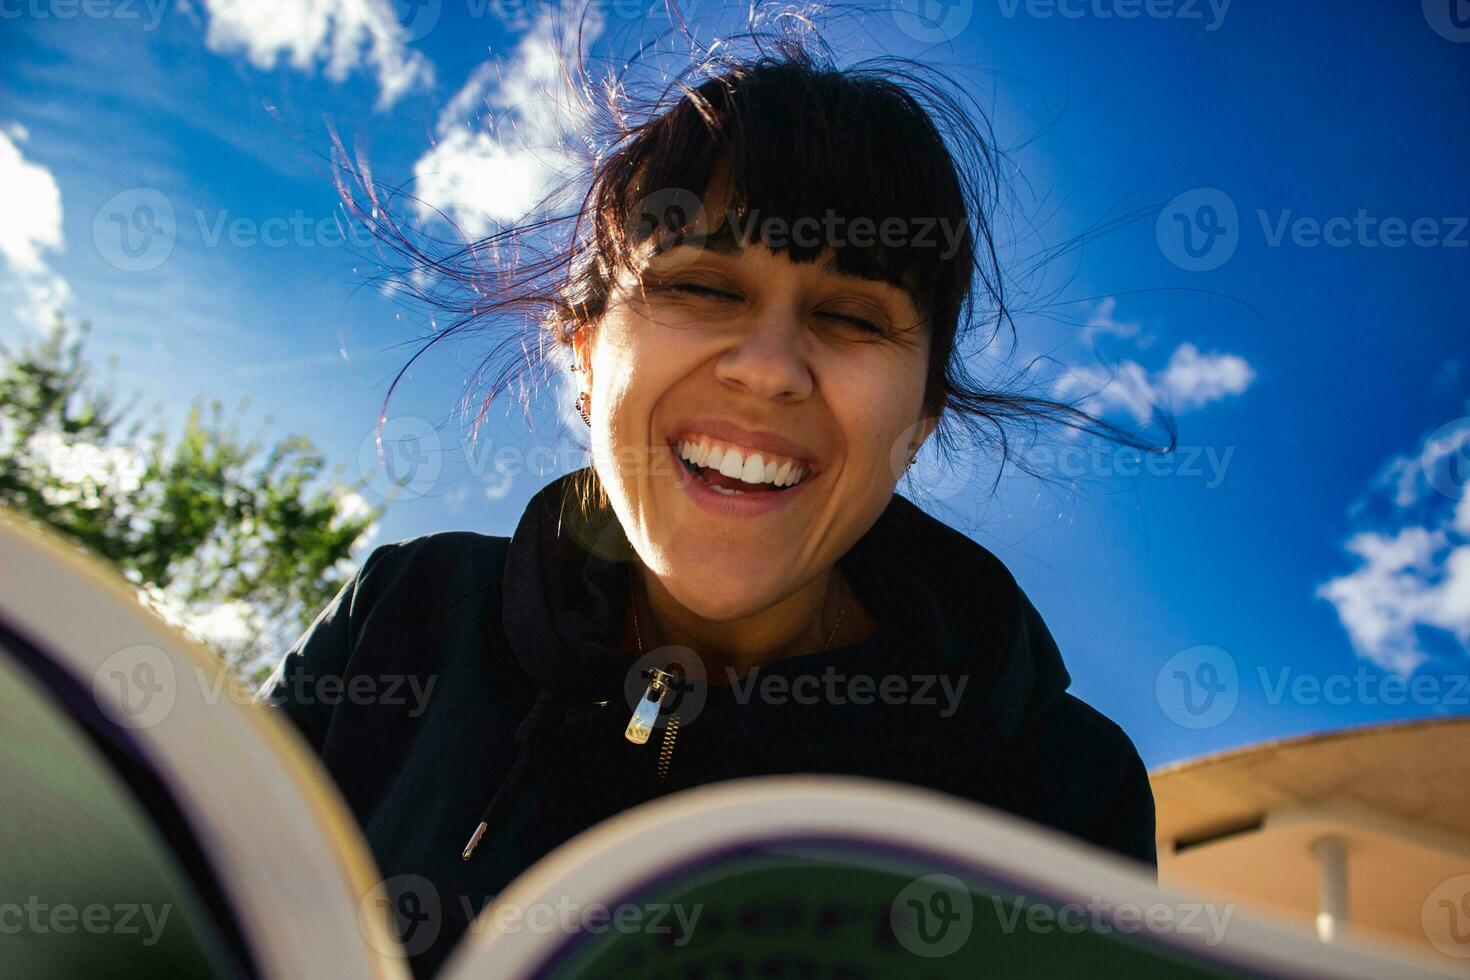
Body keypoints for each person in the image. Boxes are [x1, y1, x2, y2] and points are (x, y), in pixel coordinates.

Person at [259, 30, 1166, 980]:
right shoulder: (402, 617)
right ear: (581, 346)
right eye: (700, 286)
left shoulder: (1066, 793)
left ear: (924, 414)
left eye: (853, 316)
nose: (769, 371)